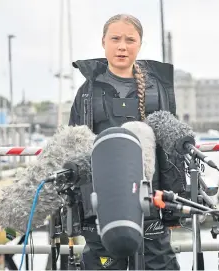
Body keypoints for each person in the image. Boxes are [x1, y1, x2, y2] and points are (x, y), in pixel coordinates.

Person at [69, 14, 186, 270]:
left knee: (158, 261)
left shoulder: (158, 89)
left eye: (130, 40)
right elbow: (75, 148)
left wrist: (174, 203)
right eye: (115, 39)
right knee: (104, 262)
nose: (122, 46)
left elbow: (171, 149)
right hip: (102, 197)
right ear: (103, 42)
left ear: (139, 45)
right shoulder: (86, 93)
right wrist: (80, 205)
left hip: (148, 197)